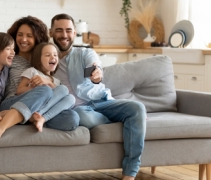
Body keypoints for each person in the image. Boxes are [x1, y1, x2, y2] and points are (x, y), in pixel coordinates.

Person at [0, 16, 80, 155]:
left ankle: (32, 117)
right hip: (12, 103)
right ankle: (0, 128)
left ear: (37, 38)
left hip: (38, 108)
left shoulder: (43, 59)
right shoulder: (10, 59)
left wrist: (49, 82)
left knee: (72, 118)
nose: (24, 39)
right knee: (43, 91)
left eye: (29, 36)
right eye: (20, 35)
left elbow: (56, 86)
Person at [49, 13, 146, 180]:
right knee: (81, 115)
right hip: (78, 109)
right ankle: (122, 121)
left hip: (102, 101)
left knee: (137, 108)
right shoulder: (47, 57)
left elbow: (95, 67)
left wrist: (97, 75)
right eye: (59, 30)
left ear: (74, 33)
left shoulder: (85, 53)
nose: (64, 35)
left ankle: (130, 172)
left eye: (68, 30)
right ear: (51, 32)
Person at [16, 42, 75, 132]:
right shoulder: (32, 71)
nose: (53, 57)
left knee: (71, 98)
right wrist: (34, 88)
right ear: (39, 59)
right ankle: (37, 114)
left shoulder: (56, 80)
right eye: (47, 55)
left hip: (47, 110)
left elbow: (59, 97)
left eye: (55, 55)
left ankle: (42, 118)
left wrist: (49, 82)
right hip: (34, 105)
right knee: (61, 89)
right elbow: (19, 91)